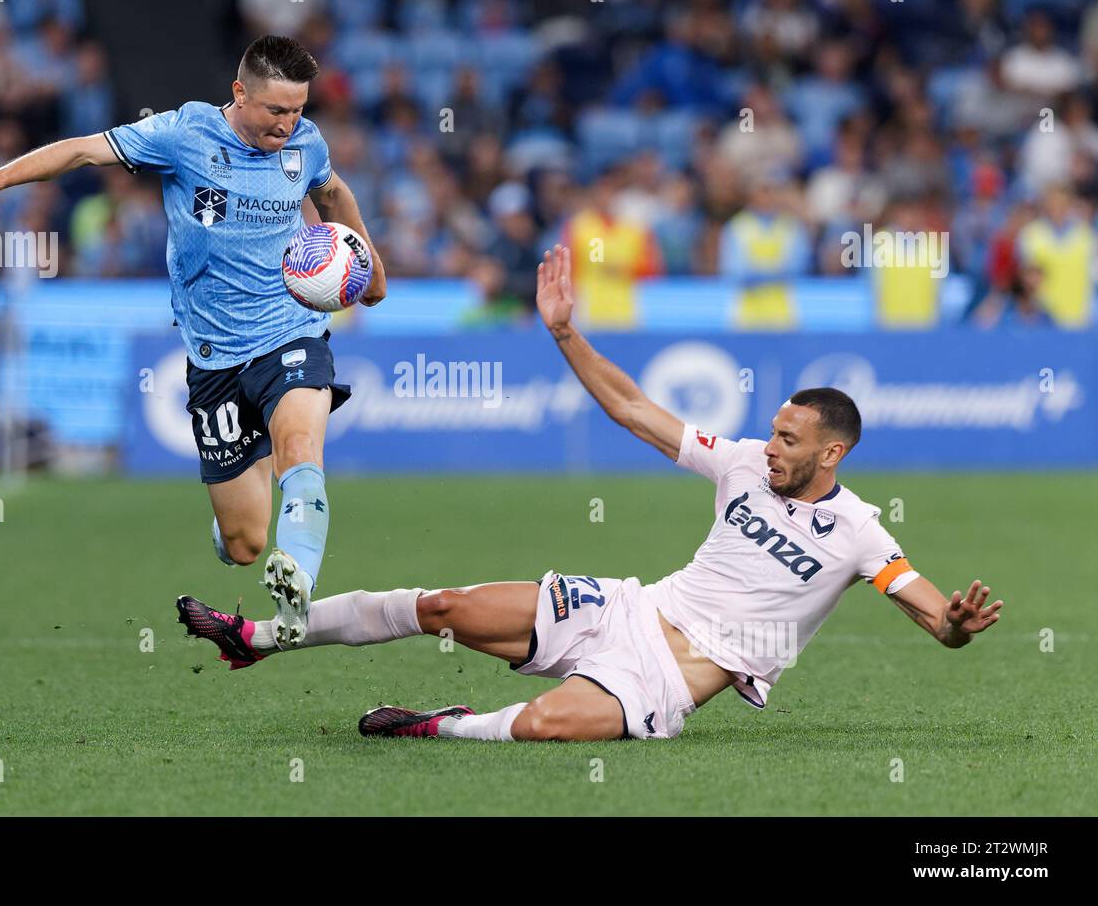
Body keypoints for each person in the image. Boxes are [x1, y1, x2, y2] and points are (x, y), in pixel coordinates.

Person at [175, 245, 1002, 742]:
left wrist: (955, 627)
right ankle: (255, 634)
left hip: (671, 682)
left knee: (538, 729)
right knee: (445, 606)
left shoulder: (860, 531)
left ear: (834, 452)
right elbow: (635, 410)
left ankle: (435, 724)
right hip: (627, 609)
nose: (770, 446)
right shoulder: (743, 461)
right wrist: (567, 332)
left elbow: (931, 612)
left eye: (788, 439)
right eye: (773, 433)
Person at [0, 35, 387, 647]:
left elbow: (331, 193)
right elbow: (80, 153)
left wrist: (367, 261)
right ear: (239, 92)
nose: (288, 124)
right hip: (212, 355)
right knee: (245, 542)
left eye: (298, 109)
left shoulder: (306, 144)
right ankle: (243, 540)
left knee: (301, 445)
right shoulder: (184, 134)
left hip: (292, 329)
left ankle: (298, 580)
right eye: (275, 110)